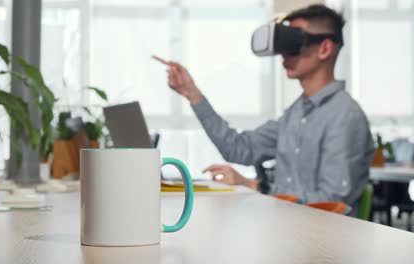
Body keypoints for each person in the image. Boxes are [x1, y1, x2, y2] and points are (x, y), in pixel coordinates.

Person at [154, 4, 375, 211]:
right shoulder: (296, 114)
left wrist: (257, 187)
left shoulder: (345, 116)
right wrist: (192, 94)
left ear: (325, 48)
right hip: (286, 225)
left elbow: (332, 202)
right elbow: (239, 148)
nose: (284, 54)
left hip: (324, 241)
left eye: (293, 44)